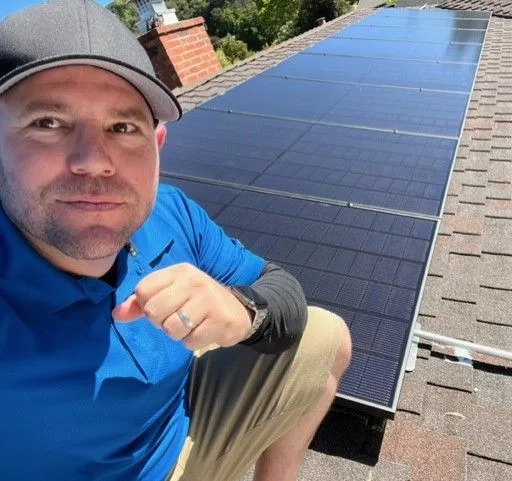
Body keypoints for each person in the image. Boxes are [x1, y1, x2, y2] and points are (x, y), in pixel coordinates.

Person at [0, 1, 352, 480]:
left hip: (181, 440)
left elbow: (283, 294)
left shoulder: (170, 212)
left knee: (325, 336)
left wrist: (243, 312)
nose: (94, 160)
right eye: (48, 123)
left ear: (157, 145)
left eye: (123, 127)